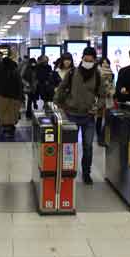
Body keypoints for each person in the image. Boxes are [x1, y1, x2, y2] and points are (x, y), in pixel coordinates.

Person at [54, 47, 110, 185]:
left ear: (94, 59)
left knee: (88, 147)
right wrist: (57, 104)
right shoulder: (73, 73)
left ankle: (86, 173)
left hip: (88, 117)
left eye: (91, 58)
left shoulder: (97, 76)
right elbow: (62, 88)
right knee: (69, 146)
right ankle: (67, 172)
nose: (88, 60)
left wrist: (96, 108)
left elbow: (102, 95)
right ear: (82, 57)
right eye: (86, 57)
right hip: (71, 114)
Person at [0, 54, 22, 136]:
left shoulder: (0, 71)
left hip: (2, 95)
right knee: (12, 112)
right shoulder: (15, 71)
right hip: (14, 96)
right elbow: (19, 84)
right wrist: (20, 96)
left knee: (3, 112)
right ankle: (11, 126)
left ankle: (5, 127)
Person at [96, 57, 115, 146]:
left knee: (108, 119)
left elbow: (112, 85)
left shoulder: (111, 73)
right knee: (99, 118)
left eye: (107, 62)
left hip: (108, 99)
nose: (105, 64)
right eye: (103, 62)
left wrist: (111, 92)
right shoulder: (97, 73)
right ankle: (99, 137)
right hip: (100, 99)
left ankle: (105, 138)